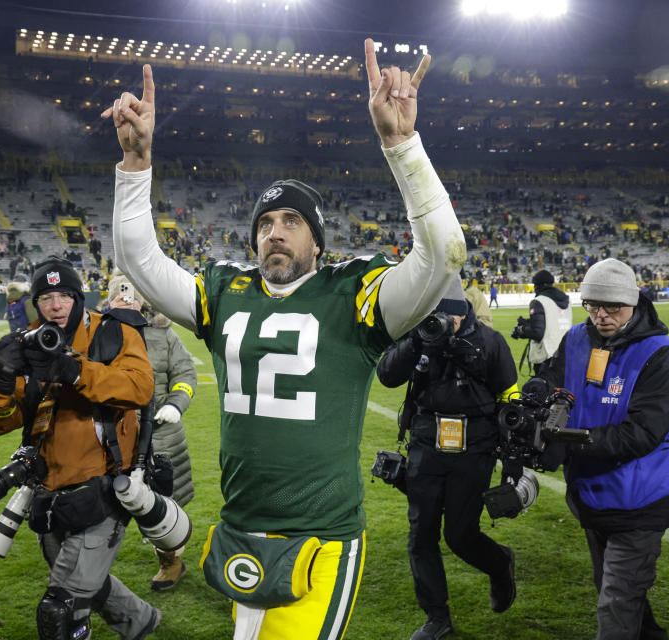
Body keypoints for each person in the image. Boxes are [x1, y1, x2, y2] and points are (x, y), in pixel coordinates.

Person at [106, 38, 465, 640]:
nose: (276, 232)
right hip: (242, 526)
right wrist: (136, 164)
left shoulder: (352, 295)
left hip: (321, 534)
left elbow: (442, 254)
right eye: (266, 223)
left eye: (292, 221)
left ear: (317, 242)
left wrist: (402, 146)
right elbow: (140, 260)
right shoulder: (224, 293)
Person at [0, 256, 160, 640]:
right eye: (46, 298)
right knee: (85, 579)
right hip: (48, 490)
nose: (56, 306)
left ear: (78, 297)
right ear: (36, 303)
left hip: (104, 486)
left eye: (64, 295)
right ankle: (141, 621)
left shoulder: (112, 333)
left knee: (60, 607)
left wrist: (75, 370)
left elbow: (141, 389)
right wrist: (0, 377)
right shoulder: (27, 342)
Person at [539, 257, 669, 640]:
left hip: (641, 498)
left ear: (634, 303)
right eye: (592, 305)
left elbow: (640, 434)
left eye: (612, 307)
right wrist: (538, 402)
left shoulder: (662, 355)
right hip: (592, 493)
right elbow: (556, 386)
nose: (601, 315)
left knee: (616, 601)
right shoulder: (576, 338)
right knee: (614, 586)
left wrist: (570, 441)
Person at [376, 279, 518, 640]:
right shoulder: (419, 334)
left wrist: (513, 469)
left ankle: (500, 564)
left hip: (474, 448)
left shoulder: (489, 341)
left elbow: (511, 404)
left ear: (461, 314)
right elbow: (387, 374)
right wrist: (417, 341)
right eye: (431, 315)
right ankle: (437, 617)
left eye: (445, 317)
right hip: (426, 441)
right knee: (421, 532)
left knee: (459, 534)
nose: (438, 321)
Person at [105, 272, 197, 592]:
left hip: (160, 436)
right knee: (104, 502)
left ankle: (170, 561)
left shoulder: (163, 334)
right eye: (121, 293)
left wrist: (176, 403)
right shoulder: (98, 333)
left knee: (163, 504)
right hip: (110, 437)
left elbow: (185, 372)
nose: (128, 299)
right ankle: (91, 560)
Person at [510, 270, 572, 376]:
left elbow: (537, 333)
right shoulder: (566, 300)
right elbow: (552, 322)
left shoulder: (539, 301)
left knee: (544, 391)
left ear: (538, 285)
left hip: (547, 356)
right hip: (565, 353)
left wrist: (521, 331)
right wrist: (529, 322)